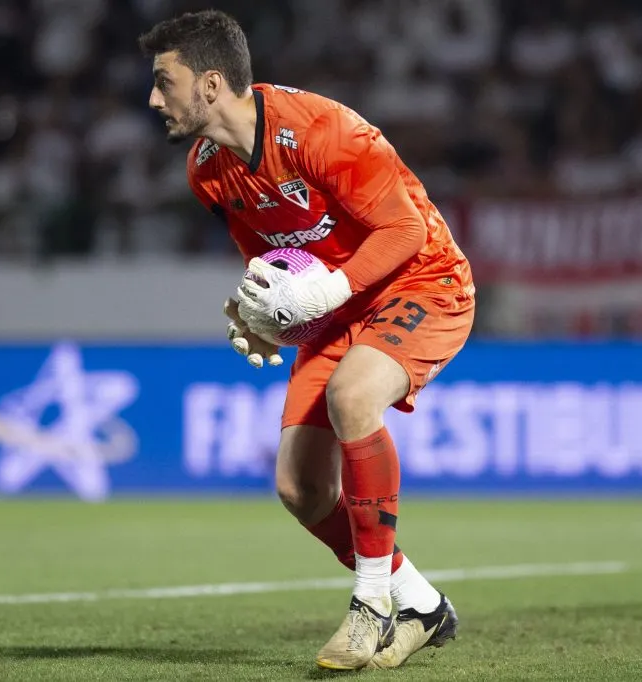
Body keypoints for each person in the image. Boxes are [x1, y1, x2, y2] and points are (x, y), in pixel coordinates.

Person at [139, 10, 475, 671]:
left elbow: (404, 232)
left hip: (423, 281)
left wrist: (326, 292)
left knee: (355, 397)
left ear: (210, 85)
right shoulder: (207, 172)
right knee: (300, 488)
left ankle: (372, 603)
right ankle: (423, 605)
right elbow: (268, 264)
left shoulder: (321, 131)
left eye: (163, 81)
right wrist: (255, 313)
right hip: (339, 305)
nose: (153, 99)